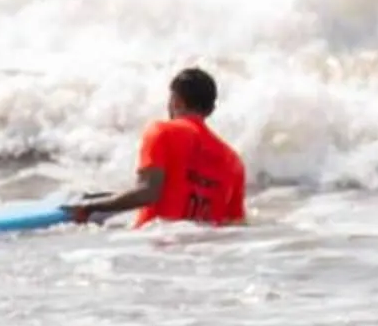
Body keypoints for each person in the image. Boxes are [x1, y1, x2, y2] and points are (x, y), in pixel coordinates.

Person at [69, 65, 249, 226]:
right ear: (210, 110)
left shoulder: (162, 132)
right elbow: (234, 223)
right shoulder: (233, 161)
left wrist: (90, 207)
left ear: (176, 101)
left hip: (154, 249)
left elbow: (148, 193)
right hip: (201, 257)